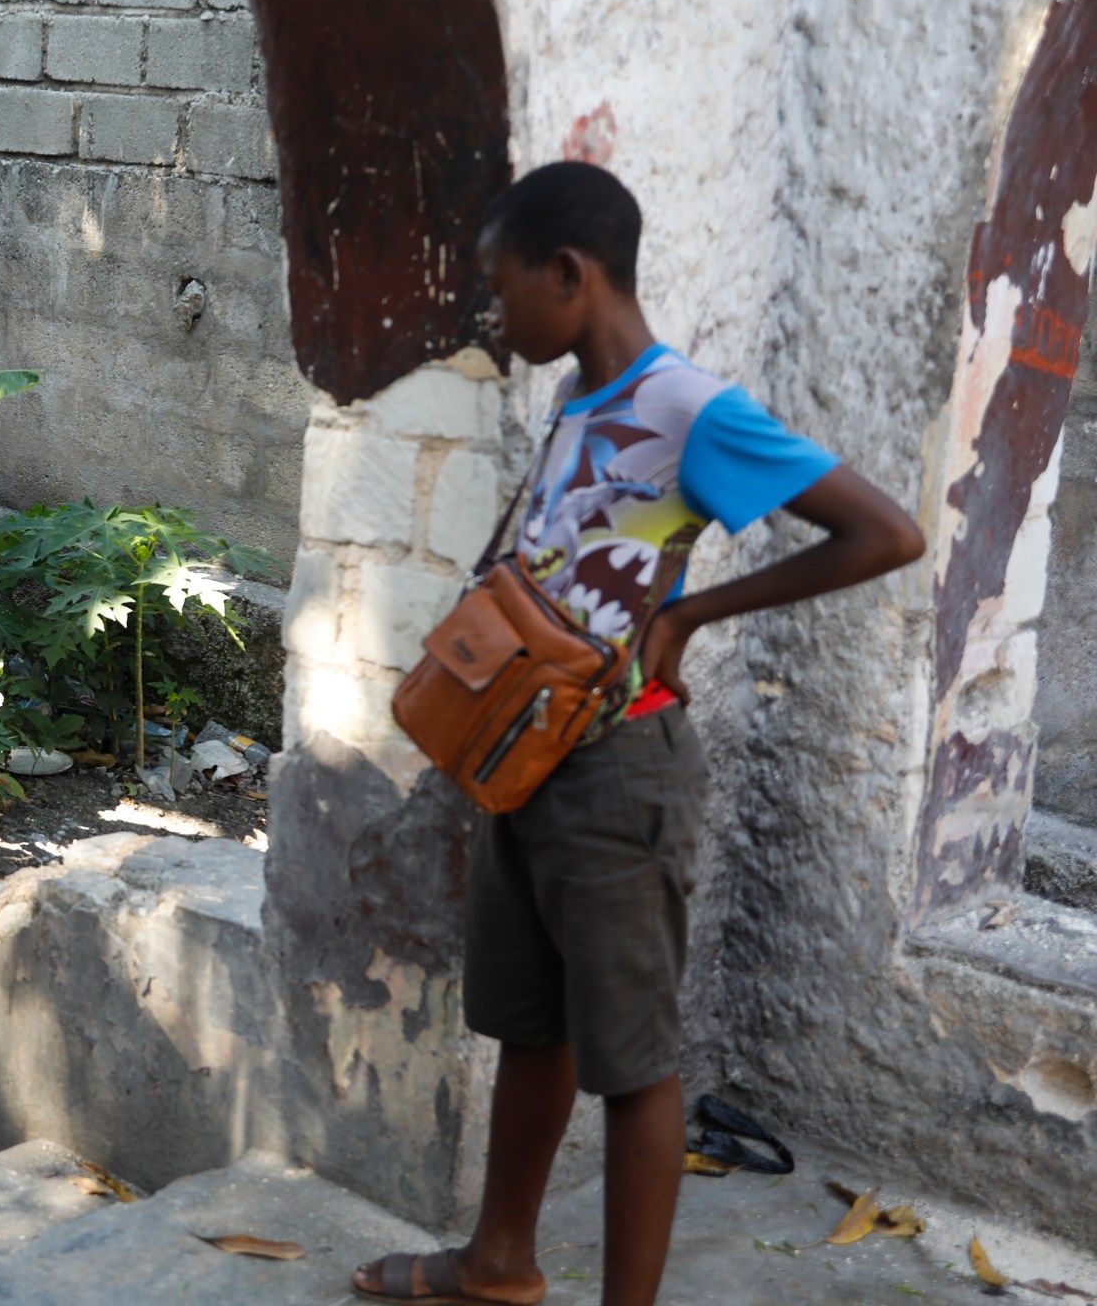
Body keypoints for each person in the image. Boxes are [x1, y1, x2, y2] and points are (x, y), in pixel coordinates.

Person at [349, 162, 924, 1306]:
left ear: (569, 274)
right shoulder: (580, 402)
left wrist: (693, 612)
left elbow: (883, 533)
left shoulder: (689, 407)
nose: (491, 311)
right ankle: (498, 1262)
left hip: (621, 774)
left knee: (634, 1066)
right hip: (527, 762)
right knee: (531, 1027)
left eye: (499, 285)